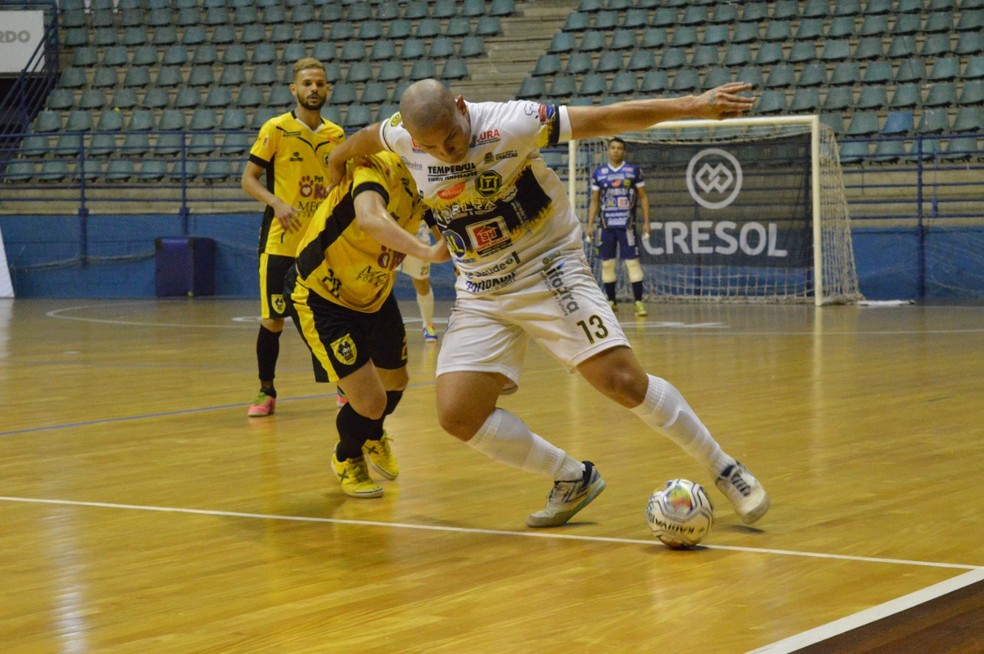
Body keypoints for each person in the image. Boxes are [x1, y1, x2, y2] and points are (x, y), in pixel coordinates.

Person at [326, 79, 770, 528]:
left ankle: (724, 466)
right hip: (480, 288)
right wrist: (336, 158)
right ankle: (572, 477)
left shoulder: (511, 122)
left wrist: (690, 105)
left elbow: (607, 118)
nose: (446, 152)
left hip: (547, 265)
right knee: (458, 415)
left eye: (453, 139)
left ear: (462, 107)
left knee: (621, 381)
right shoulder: (401, 134)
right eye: (433, 147)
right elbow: (365, 138)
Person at [285, 151, 447, 498]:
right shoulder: (378, 166)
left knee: (396, 381)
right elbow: (371, 219)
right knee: (371, 402)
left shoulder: (430, 178)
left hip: (374, 293)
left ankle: (372, 435)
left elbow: (446, 226)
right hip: (322, 294)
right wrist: (427, 252)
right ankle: (346, 456)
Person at [240, 58, 345, 418]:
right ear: (294, 89)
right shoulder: (277, 129)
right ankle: (266, 389)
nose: (314, 89)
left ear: (327, 89)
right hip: (281, 242)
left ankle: (344, 386)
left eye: (320, 83)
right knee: (274, 320)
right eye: (307, 84)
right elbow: (249, 179)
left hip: (320, 244)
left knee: (330, 317)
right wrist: (278, 203)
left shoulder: (336, 135)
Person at [586, 137, 651, 317]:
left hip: (627, 225)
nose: (616, 151)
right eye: (613, 148)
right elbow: (594, 201)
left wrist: (646, 222)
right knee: (607, 264)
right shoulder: (599, 173)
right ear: (608, 150)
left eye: (619, 148)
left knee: (632, 263)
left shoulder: (633, 171)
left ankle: (638, 302)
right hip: (606, 226)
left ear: (624, 152)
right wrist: (589, 225)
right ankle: (611, 301)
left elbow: (643, 197)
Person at [400, 221, 442, 343]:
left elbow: (432, 217)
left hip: (419, 240)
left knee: (422, 285)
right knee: (385, 282)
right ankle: (380, 327)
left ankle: (428, 325)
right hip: (391, 235)